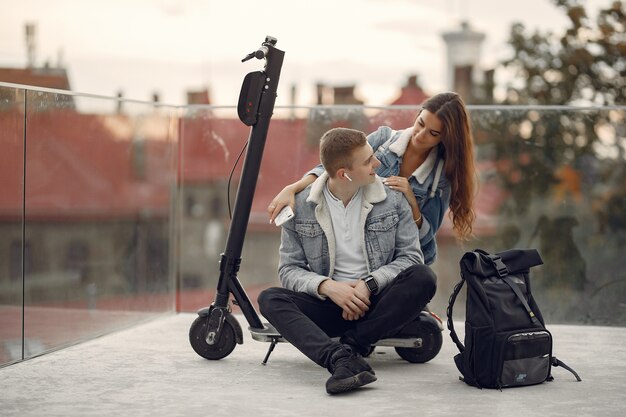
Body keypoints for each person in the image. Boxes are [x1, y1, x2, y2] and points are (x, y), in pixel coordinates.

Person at [258, 127, 437, 395]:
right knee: (270, 299)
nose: (377, 162)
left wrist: (368, 285)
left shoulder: (394, 198)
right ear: (344, 173)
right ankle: (339, 358)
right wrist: (329, 287)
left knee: (423, 277)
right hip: (329, 305)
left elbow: (411, 258)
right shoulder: (299, 206)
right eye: (368, 161)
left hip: (378, 304)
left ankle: (353, 347)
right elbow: (289, 269)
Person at [268, 92, 476, 265]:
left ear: (445, 137)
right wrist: (292, 188)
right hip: (363, 248)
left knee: (419, 283)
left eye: (433, 133)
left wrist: (411, 200)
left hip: (403, 259)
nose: (420, 135)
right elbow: (334, 167)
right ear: (418, 114)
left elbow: (425, 236)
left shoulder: (442, 176)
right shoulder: (384, 139)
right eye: (420, 123)